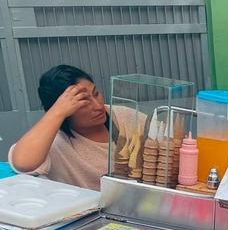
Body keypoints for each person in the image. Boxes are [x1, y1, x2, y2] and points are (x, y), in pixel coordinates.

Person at [8, 65, 137, 191]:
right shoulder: (55, 142)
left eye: (96, 93)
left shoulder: (125, 117)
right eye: (83, 102)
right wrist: (57, 112)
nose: (98, 106)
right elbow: (23, 162)